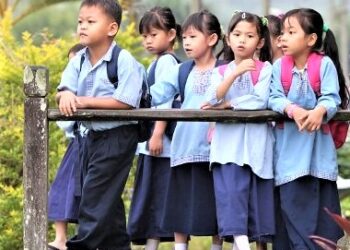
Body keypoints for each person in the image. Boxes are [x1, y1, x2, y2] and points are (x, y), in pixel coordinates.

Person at [55, 0, 144, 249]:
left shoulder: (123, 60)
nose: (82, 27)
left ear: (111, 28)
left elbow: (126, 101)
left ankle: (79, 246)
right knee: (107, 200)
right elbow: (63, 90)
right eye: (80, 21)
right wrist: (66, 96)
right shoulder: (79, 60)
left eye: (90, 22)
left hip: (117, 137)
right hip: (89, 137)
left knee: (94, 198)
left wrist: (81, 101)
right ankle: (117, 245)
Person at [268, 8, 348, 249]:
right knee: (291, 215)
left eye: (291, 32)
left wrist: (319, 111)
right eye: (282, 32)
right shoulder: (279, 67)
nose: (283, 38)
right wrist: (293, 109)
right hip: (288, 159)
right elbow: (274, 98)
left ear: (311, 39)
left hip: (318, 160)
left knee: (321, 222)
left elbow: (332, 97)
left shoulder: (324, 66)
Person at [150, 10, 223, 250]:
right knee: (180, 204)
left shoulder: (225, 70)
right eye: (185, 38)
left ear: (211, 39)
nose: (187, 43)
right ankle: (180, 247)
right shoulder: (181, 71)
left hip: (216, 151)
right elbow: (156, 94)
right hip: (183, 148)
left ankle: (217, 246)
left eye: (193, 37)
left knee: (216, 204)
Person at [201, 11, 274, 250]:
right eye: (237, 34)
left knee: (252, 208)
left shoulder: (266, 70)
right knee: (231, 202)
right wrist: (234, 73)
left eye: (250, 35)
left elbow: (260, 101)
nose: (242, 40)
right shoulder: (219, 71)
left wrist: (229, 104)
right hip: (227, 151)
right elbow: (211, 98)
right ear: (228, 38)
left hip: (255, 151)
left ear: (260, 42)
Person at [127, 6, 181, 250]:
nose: (148, 40)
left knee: (157, 196)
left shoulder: (167, 62)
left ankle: (153, 244)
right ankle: (152, 244)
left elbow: (166, 102)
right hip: (154, 143)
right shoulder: (157, 63)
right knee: (153, 196)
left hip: (160, 143)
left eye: (153, 34)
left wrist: (157, 134)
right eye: (145, 36)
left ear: (171, 35)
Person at [48, 43, 86, 250]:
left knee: (85, 192)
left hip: (90, 142)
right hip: (76, 143)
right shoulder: (68, 90)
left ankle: (82, 238)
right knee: (62, 188)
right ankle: (60, 238)